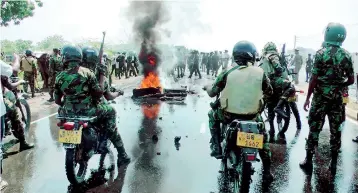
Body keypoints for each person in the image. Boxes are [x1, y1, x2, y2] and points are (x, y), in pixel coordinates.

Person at [204, 40, 274, 182]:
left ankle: (216, 146)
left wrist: (207, 87)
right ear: (252, 56)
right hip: (253, 117)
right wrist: (260, 104)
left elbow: (213, 92)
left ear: (235, 55)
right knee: (263, 139)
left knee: (212, 114)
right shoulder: (260, 73)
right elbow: (269, 92)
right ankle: (267, 172)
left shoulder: (227, 72)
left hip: (228, 116)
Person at [54, 45, 130, 166]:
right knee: (111, 112)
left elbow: (57, 100)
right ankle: (122, 154)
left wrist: (68, 104)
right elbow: (99, 94)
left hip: (67, 112)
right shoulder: (88, 73)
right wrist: (102, 75)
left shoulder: (59, 76)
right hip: (87, 111)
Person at [300, 23, 355, 172]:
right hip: (336, 100)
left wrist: (307, 98)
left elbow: (314, 79)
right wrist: (339, 84)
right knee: (336, 130)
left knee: (314, 129)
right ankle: (334, 163)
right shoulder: (346, 55)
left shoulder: (320, 54)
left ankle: (308, 160)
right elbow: (351, 80)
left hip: (320, 99)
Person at [259, 42, 296, 141]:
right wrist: (281, 68)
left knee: (270, 107)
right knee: (290, 86)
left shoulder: (262, 58)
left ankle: (272, 130)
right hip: (274, 81)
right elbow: (278, 69)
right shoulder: (273, 55)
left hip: (265, 84)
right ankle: (279, 106)